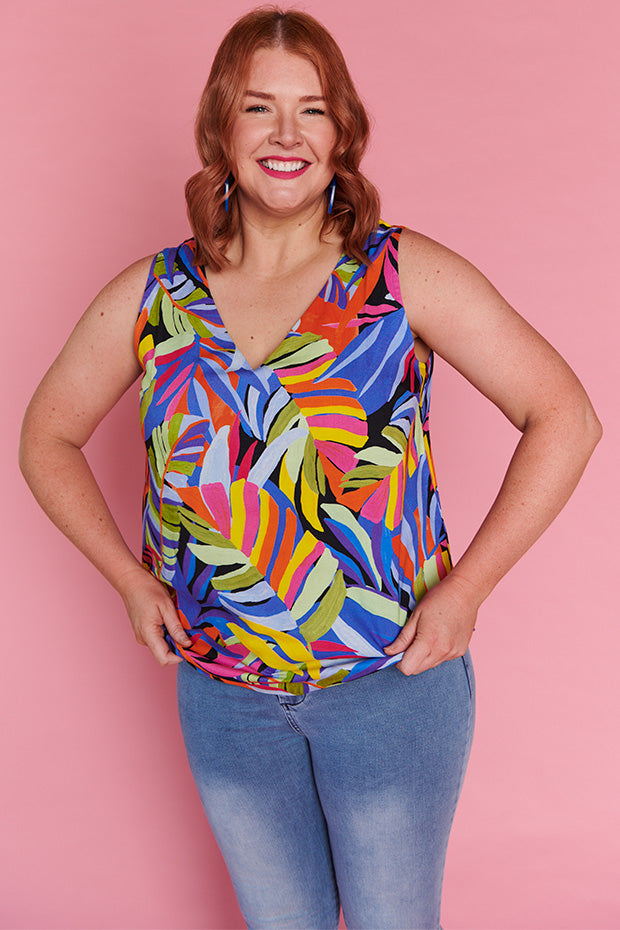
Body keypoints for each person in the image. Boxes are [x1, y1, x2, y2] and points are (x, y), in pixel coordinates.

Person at [19, 7, 601, 930]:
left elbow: (566, 416)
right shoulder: (155, 295)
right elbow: (45, 437)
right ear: (221, 128)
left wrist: (468, 591)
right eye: (259, 107)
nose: (286, 134)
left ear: (343, 134)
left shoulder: (400, 275)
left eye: (313, 110)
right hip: (224, 695)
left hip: (388, 684)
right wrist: (130, 582)